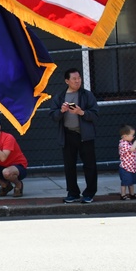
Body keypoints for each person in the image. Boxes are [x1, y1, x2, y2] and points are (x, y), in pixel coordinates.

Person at [50, 68, 100, 203]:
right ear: (67, 81)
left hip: (85, 135)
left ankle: (89, 193)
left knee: (89, 165)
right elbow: (53, 116)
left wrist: (81, 112)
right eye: (74, 79)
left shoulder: (87, 95)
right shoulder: (60, 97)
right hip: (67, 135)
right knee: (69, 166)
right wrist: (61, 111)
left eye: (79, 78)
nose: (78, 81)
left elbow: (95, 114)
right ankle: (73, 193)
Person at [118, 126, 136, 200]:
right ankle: (123, 194)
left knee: (131, 182)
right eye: (132, 135)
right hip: (125, 167)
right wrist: (135, 142)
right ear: (125, 136)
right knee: (125, 182)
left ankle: (131, 194)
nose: (133, 137)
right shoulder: (123, 144)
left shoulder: (129, 143)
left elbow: (133, 151)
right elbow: (132, 149)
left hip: (131, 167)